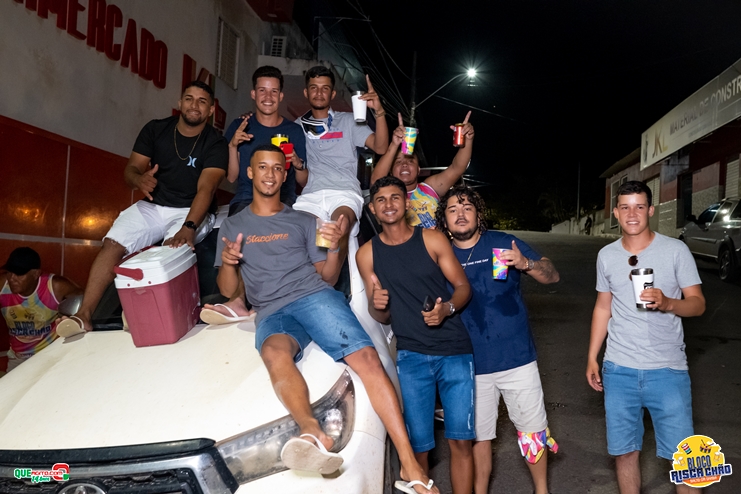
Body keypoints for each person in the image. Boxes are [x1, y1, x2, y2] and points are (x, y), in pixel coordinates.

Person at [214, 144, 437, 494]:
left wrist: (334, 248)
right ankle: (312, 432)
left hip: (313, 297)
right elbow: (228, 290)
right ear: (251, 172)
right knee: (273, 352)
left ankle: (410, 466)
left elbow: (329, 277)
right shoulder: (232, 225)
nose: (271, 174)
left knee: (367, 358)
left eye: (277, 168)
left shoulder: (304, 221)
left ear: (285, 175)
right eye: (263, 167)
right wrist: (229, 262)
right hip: (270, 310)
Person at [59, 81, 228, 335]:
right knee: (113, 243)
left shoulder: (215, 142)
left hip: (190, 209)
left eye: (202, 101)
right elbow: (131, 169)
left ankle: (138, 310)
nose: (195, 105)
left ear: (211, 110)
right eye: (189, 98)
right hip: (154, 206)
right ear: (180, 103)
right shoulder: (156, 129)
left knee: (171, 250)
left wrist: (189, 226)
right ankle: (84, 315)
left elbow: (207, 188)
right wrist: (139, 180)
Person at [435, 185, 560, 494]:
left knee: (532, 432)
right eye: (453, 209)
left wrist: (526, 263)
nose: (460, 214)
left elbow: (552, 274)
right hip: (468, 364)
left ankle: (541, 490)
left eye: (467, 208)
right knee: (479, 438)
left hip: (517, 360)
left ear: (478, 214)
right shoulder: (439, 254)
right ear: (444, 219)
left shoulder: (503, 243)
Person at [356, 176, 475, 494]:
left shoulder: (432, 239)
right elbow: (380, 315)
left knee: (461, 442)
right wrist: (377, 304)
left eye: (395, 197)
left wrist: (447, 309)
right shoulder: (366, 254)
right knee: (418, 447)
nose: (389, 204)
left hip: (454, 351)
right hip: (411, 356)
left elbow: (463, 287)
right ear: (372, 208)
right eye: (381, 200)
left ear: (406, 202)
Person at [586, 180, 706, 494]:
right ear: (615, 213)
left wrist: (668, 303)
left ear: (651, 210)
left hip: (667, 370)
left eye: (639, 206)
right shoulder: (607, 255)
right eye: (625, 207)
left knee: (687, 459)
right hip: (619, 369)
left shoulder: (675, 250)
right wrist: (592, 357)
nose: (632, 214)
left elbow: (698, 304)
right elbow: (603, 307)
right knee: (625, 452)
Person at [295, 65, 389, 268]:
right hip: (312, 194)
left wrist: (379, 112)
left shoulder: (348, 120)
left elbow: (381, 147)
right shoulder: (296, 127)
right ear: (306, 92)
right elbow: (301, 180)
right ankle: (317, 279)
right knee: (297, 231)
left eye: (325, 88)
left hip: (344, 192)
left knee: (340, 226)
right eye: (314, 88)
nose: (319, 93)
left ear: (333, 94)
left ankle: (331, 280)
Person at [224, 65, 307, 214]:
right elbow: (231, 178)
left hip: (283, 200)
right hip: (246, 200)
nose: (268, 97)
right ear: (253, 94)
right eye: (262, 90)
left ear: (280, 96)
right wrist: (232, 146)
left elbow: (303, 181)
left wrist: (297, 163)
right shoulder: (239, 127)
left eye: (274, 91)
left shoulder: (294, 131)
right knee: (239, 227)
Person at [370, 112, 474, 228]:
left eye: (410, 161)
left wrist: (468, 139)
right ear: (390, 171)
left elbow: (457, 168)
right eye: (398, 162)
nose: (404, 164)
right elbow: (375, 181)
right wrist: (394, 144)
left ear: (419, 169)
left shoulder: (430, 188)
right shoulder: (388, 197)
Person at [1, 247, 82, 372]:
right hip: (17, 358)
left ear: (36, 273)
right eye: (9, 272)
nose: (12, 278)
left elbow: (86, 302)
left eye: (19, 273)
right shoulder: (2, 285)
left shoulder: (55, 286)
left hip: (49, 356)